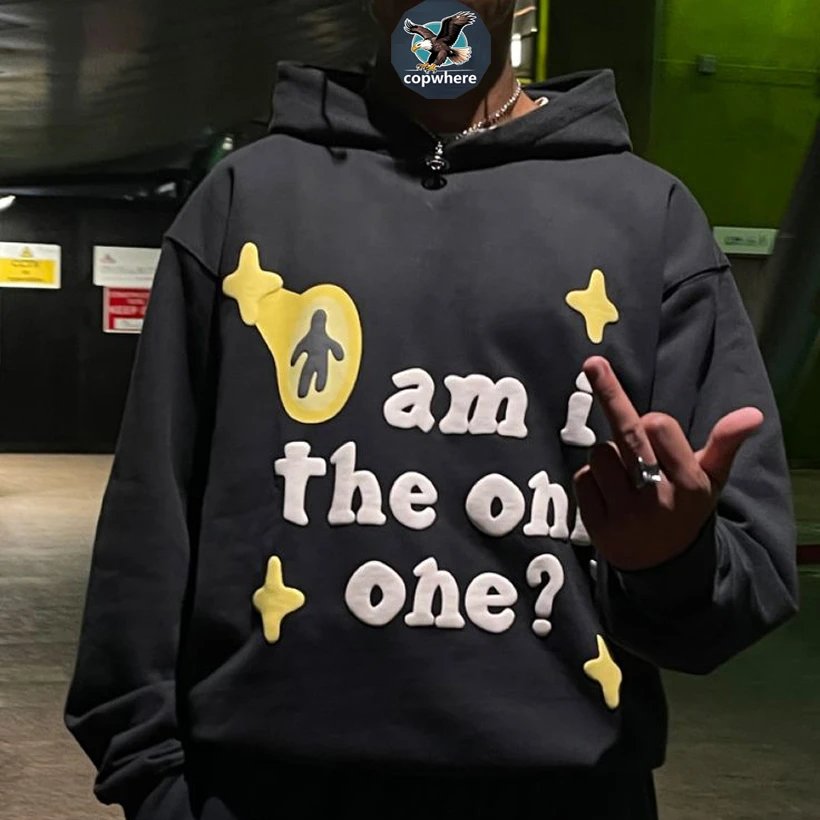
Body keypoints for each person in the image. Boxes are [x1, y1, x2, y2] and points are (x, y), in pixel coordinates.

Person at [65, 2, 799, 818]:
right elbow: (149, 521)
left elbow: (745, 583)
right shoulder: (245, 201)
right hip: (260, 789)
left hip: (565, 795)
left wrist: (669, 563)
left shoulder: (650, 220)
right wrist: (155, 784)